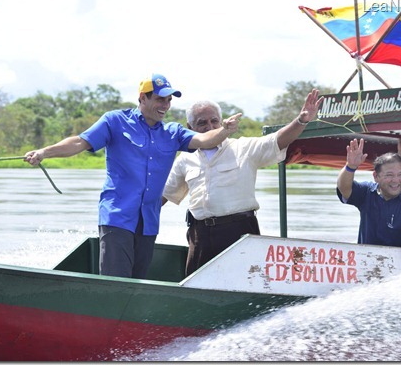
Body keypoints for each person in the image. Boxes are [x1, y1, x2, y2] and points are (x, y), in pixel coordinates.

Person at [24, 73, 241, 279]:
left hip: (148, 221)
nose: (165, 105)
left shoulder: (173, 132)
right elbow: (80, 142)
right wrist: (45, 152)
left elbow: (205, 140)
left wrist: (224, 130)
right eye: (159, 99)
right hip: (118, 217)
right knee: (116, 283)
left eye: (168, 101)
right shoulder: (115, 121)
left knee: (137, 282)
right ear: (142, 98)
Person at [162, 89, 323, 275]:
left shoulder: (243, 148)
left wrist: (301, 120)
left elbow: (276, 141)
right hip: (200, 236)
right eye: (202, 123)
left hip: (239, 232)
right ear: (189, 127)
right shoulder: (184, 159)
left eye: (214, 121)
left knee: (245, 281)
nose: (210, 127)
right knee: (196, 284)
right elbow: (164, 195)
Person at [336, 138, 401, 251]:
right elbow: (344, 189)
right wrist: (350, 167)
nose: (396, 180)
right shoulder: (367, 192)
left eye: (400, 175)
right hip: (366, 259)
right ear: (376, 176)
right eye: (389, 175)